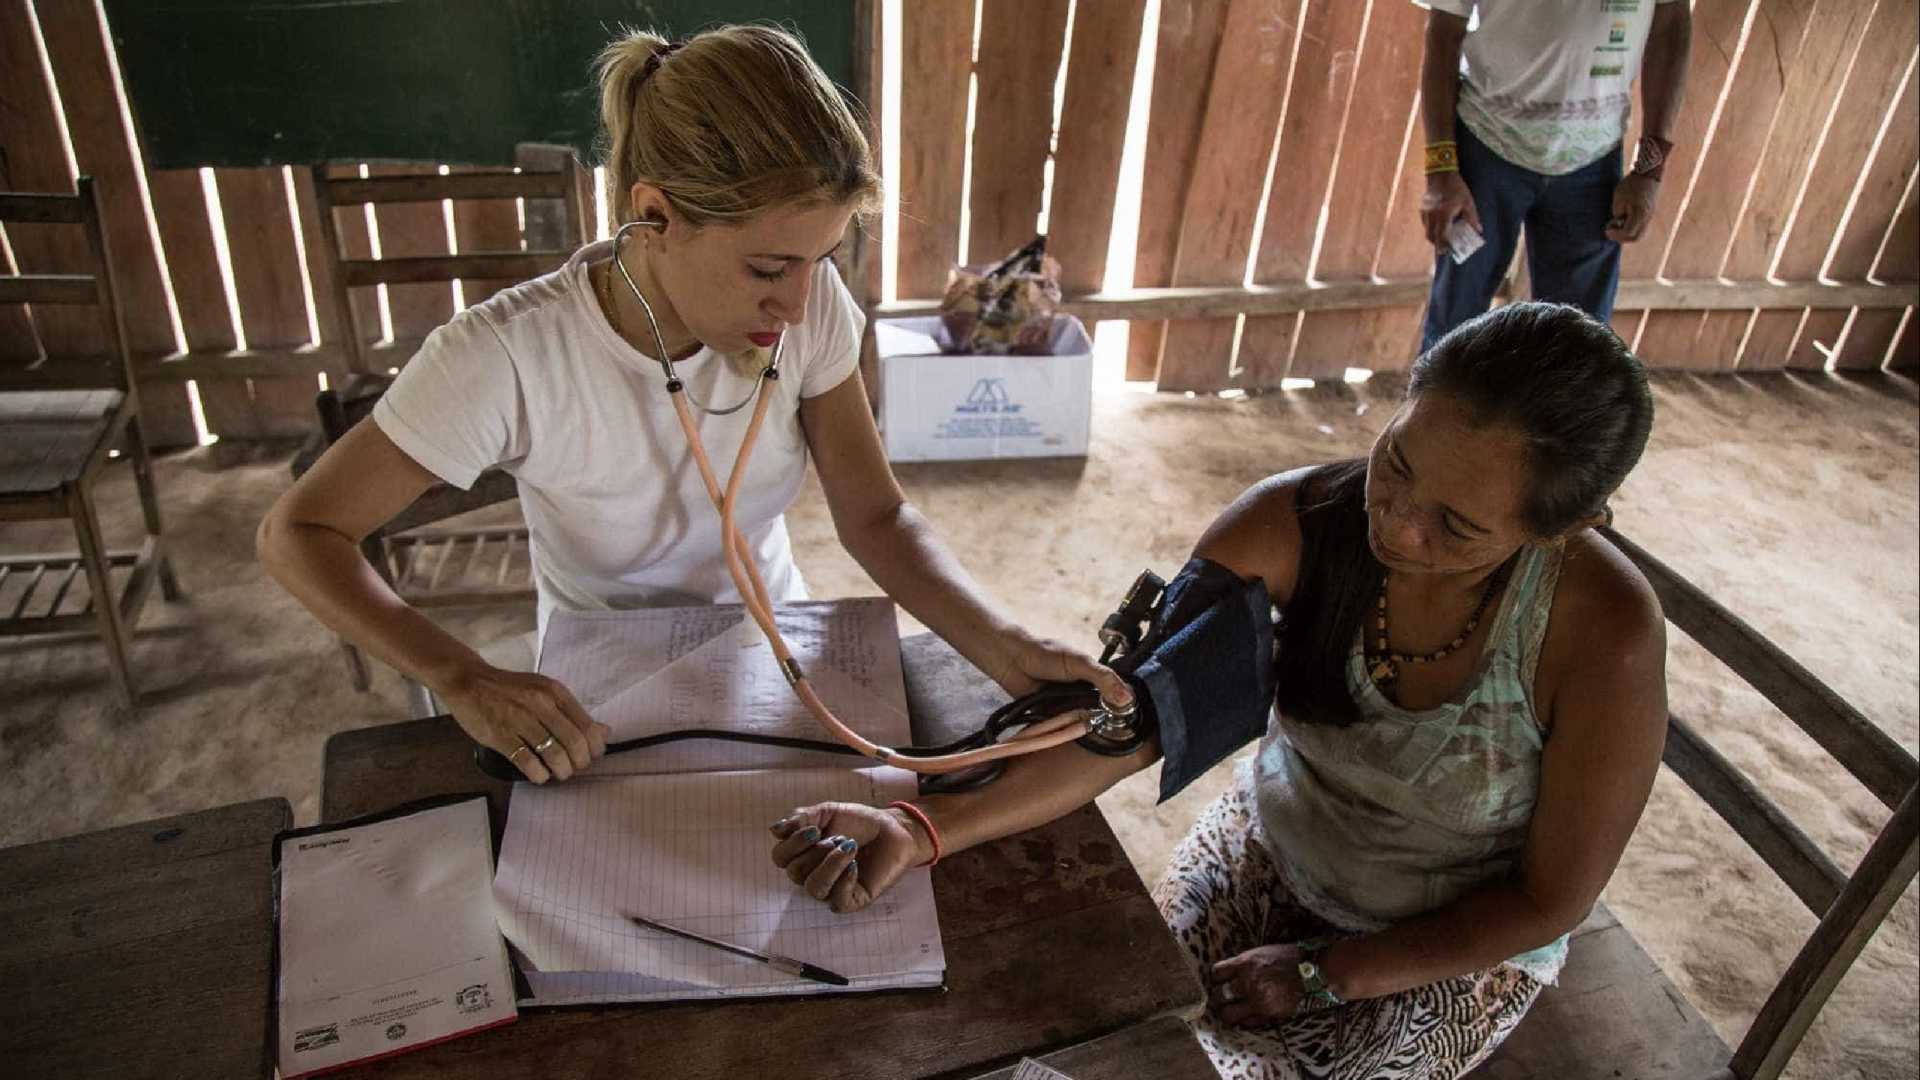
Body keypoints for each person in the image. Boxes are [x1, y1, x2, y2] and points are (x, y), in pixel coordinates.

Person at [771, 302, 1667, 1079]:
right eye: (1397, 462)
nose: (1395, 522)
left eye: (1456, 525)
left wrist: (1329, 973)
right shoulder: (1293, 525)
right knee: (1120, 1031)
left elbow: (1550, 900)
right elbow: (1131, 726)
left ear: (1561, 530)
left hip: (1449, 944)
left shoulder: (1603, 637)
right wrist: (921, 827)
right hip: (1273, 846)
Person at [258, 24, 1128, 784]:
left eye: (819, 258)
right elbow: (299, 533)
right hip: (598, 676)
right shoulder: (506, 355)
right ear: (654, 214)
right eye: (767, 267)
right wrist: (462, 677)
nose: (797, 305)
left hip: (771, 640)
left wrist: (1002, 643)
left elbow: (876, 518)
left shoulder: (812, 307)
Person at [1417, 0, 1692, 350]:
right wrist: (1441, 170)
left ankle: (1552, 408)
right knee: (1451, 333)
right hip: (1485, 149)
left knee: (1578, 347)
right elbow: (1442, 33)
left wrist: (1649, 171)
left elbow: (1670, 24)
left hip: (1592, 160)